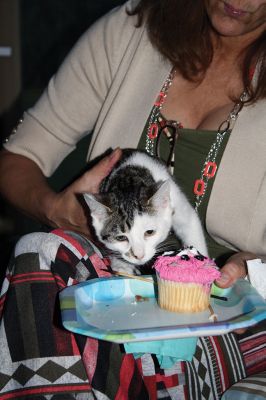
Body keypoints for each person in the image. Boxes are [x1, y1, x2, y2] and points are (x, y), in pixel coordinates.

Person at [0, 0, 265, 398]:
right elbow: (17, 158)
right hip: (120, 287)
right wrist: (53, 208)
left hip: (235, 313)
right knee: (42, 251)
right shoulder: (132, 30)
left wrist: (258, 270)